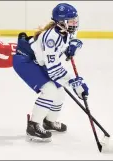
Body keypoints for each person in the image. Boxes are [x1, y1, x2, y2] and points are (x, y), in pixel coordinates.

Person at [13, 3, 89, 142]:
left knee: (60, 92)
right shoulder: (50, 38)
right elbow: (54, 70)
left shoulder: (68, 29)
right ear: (61, 22)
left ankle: (49, 121)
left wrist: (74, 46)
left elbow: (72, 40)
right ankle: (34, 125)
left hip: (40, 61)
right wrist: (74, 82)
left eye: (75, 20)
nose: (75, 23)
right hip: (26, 61)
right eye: (71, 20)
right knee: (50, 90)